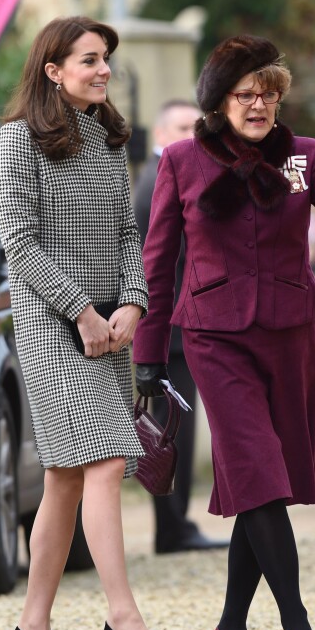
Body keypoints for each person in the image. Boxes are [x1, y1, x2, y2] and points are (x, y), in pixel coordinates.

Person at [133, 34, 315, 630]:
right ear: (220, 101)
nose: (258, 105)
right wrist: (149, 358)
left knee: (265, 482)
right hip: (213, 336)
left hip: (291, 334)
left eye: (267, 93)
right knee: (259, 473)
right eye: (244, 94)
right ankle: (299, 629)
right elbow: (157, 265)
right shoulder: (182, 160)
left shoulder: (306, 158)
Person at [0, 16, 175, 630]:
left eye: (106, 60)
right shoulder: (16, 141)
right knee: (103, 459)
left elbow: (131, 234)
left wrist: (131, 302)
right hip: (51, 327)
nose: (104, 70)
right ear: (53, 69)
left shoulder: (106, 137)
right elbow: (18, 242)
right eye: (91, 59)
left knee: (66, 479)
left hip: (110, 327)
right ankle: (123, 616)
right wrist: (82, 311)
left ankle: (33, 625)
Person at [134, 99, 229, 554]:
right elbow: (158, 263)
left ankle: (175, 525)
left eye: (198, 127)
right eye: (182, 126)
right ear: (158, 133)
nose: (194, 135)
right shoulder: (159, 180)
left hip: (170, 327)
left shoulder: (166, 176)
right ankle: (171, 528)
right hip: (169, 331)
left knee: (176, 430)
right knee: (173, 431)